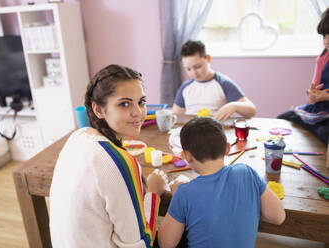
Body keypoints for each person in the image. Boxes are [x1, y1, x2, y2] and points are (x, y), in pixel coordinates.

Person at [49, 64, 168, 247]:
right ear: (98, 110)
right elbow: (139, 245)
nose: (138, 112)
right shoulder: (118, 162)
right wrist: (153, 193)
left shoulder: (78, 137)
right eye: (125, 104)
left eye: (141, 102)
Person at [158, 117, 285, 248]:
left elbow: (165, 243)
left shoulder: (184, 193)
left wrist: (177, 198)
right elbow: (278, 217)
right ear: (228, 148)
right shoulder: (246, 172)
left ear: (187, 155)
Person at [277, 8, 329, 144]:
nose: (327, 41)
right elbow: (314, 90)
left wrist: (326, 97)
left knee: (325, 133)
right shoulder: (323, 58)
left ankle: (315, 128)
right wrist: (313, 96)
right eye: (324, 36)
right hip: (319, 109)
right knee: (283, 118)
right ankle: (314, 126)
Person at [172, 40, 256, 122]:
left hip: (216, 130)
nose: (194, 73)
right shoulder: (185, 87)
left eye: (197, 66)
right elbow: (175, 116)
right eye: (188, 69)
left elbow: (252, 111)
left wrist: (234, 106)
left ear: (208, 59)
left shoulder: (223, 83)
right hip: (192, 130)